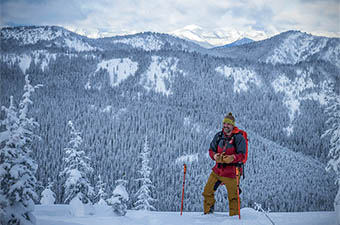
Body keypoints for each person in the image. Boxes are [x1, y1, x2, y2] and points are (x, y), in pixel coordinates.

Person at [202, 112, 246, 216]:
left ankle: (235, 220)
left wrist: (233, 158)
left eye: (228, 124)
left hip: (231, 173)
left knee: (233, 198)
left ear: (233, 125)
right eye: (224, 123)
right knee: (207, 192)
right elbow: (211, 150)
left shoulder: (239, 138)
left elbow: (242, 155)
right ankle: (208, 215)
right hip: (217, 171)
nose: (226, 126)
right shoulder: (218, 136)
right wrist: (215, 156)